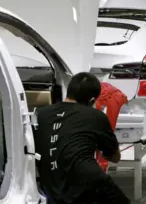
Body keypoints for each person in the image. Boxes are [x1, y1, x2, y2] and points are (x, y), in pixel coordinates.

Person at [34, 72, 130, 204]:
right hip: (90, 182)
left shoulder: (41, 114)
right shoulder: (96, 116)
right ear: (91, 101)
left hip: (53, 188)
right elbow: (114, 157)